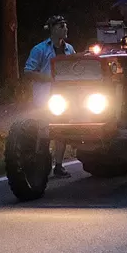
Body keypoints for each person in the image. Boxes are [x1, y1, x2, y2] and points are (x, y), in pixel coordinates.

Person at [23, 16, 75, 178]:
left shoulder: (70, 49)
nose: (65, 29)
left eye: (65, 26)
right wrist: (50, 79)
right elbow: (28, 71)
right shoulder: (40, 50)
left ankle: (58, 165)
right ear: (52, 29)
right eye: (61, 26)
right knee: (44, 130)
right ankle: (42, 162)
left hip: (64, 97)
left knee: (62, 130)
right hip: (45, 97)